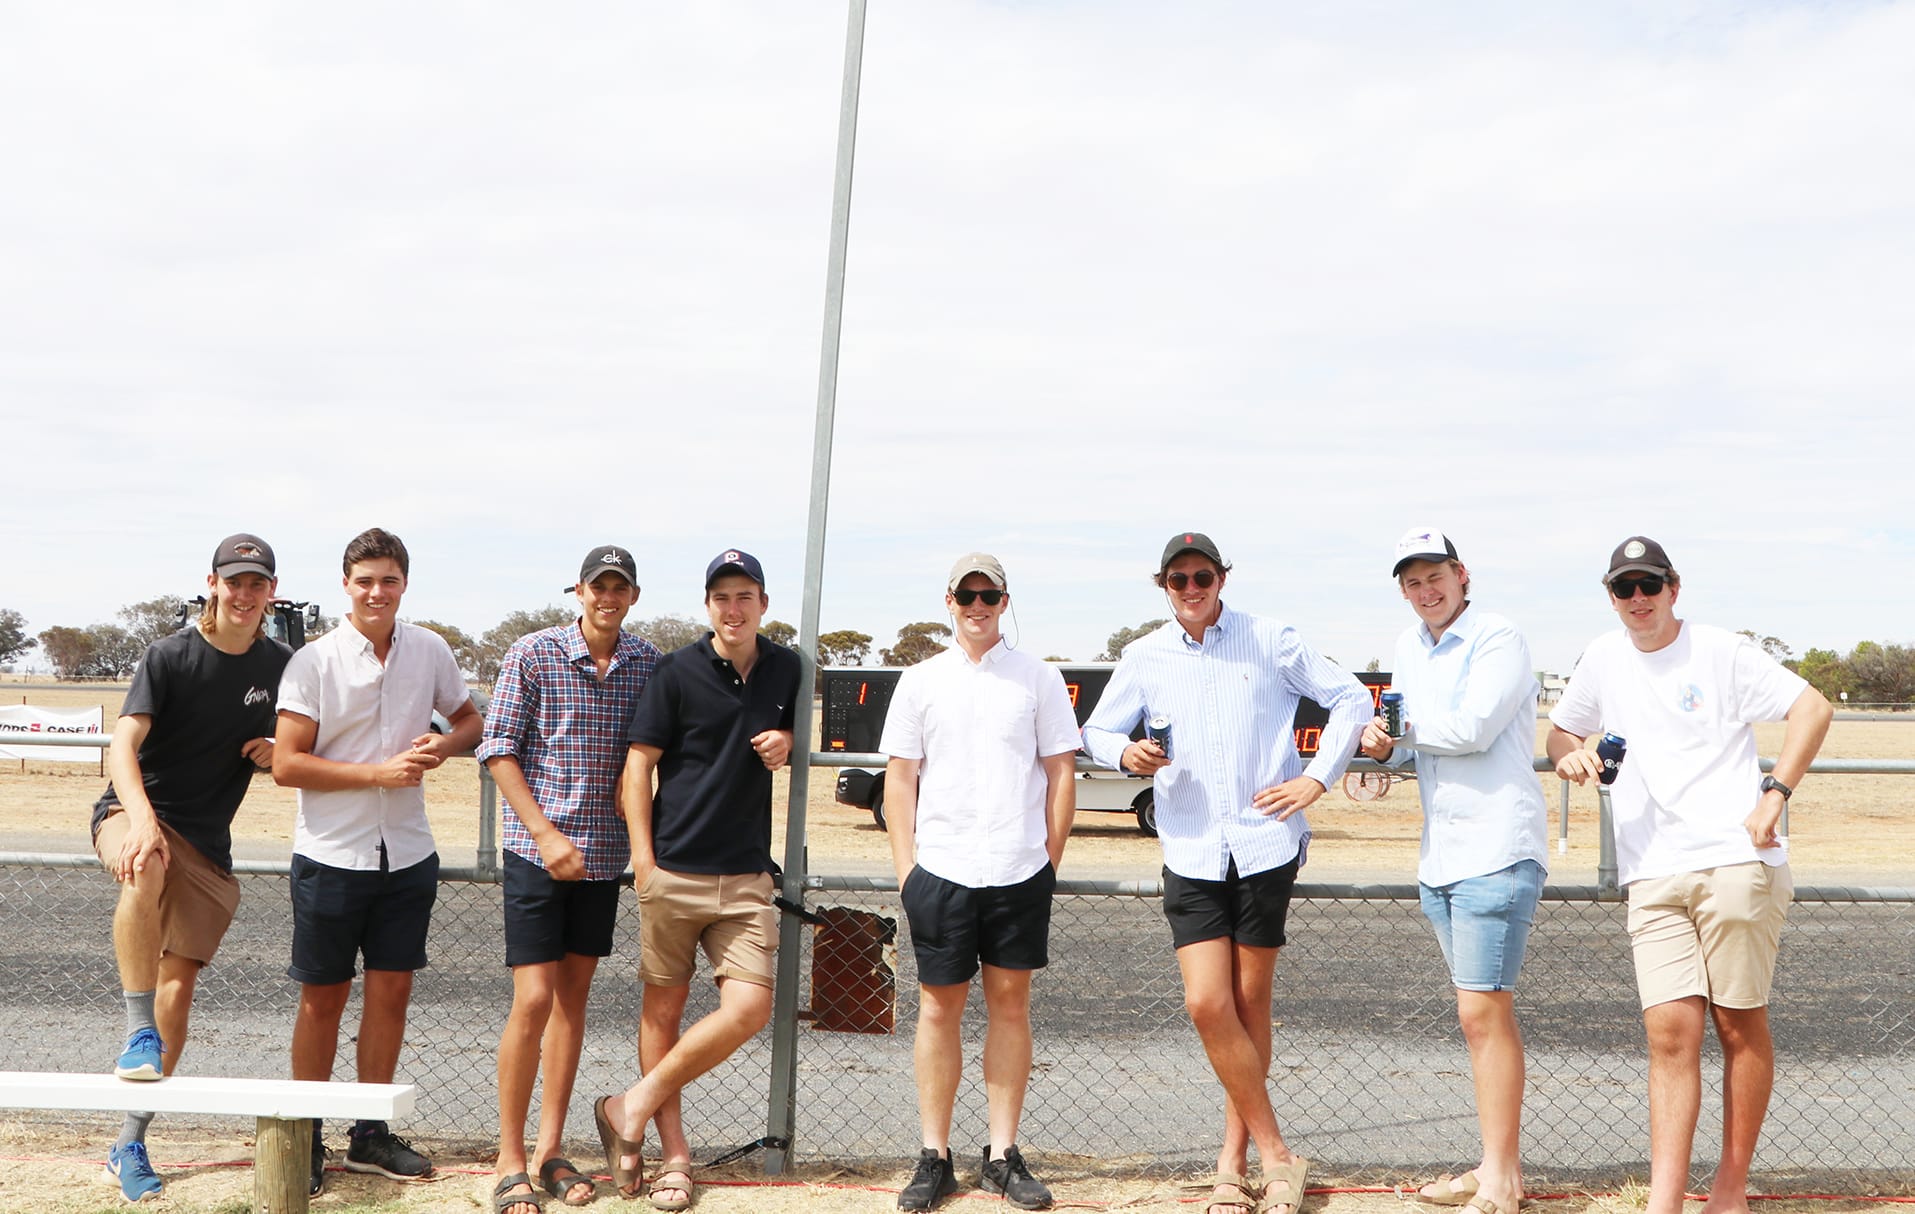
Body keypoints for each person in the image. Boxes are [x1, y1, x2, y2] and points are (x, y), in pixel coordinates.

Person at [1080, 531, 1370, 1214]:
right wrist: (1125, 755)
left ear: (1221, 579)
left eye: (1201, 576)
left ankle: (1231, 1165)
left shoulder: (1270, 640)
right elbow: (1094, 732)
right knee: (1207, 1005)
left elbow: (1351, 700)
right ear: (1162, 586)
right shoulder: (1143, 655)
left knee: (1249, 1005)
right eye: (1177, 579)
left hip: (1265, 843)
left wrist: (1315, 782)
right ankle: (1278, 1155)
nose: (1190, 589)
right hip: (1189, 847)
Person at [1546, 536, 1831, 1214]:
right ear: (1610, 596)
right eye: (1624, 588)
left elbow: (1811, 708)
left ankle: (1727, 1191)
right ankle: (1663, 1202)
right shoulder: (1603, 657)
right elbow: (1559, 731)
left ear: (1674, 587)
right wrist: (1569, 754)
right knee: (1668, 1033)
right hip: (1651, 874)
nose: (1637, 599)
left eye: (1649, 585)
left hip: (1734, 863)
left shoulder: (1719, 651)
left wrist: (1773, 793)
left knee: (1737, 1025)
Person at [273, 527, 483, 1196]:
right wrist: (377, 775)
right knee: (323, 1001)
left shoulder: (429, 650)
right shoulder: (314, 661)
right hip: (331, 855)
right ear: (345, 585)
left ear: (403, 584)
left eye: (388, 579)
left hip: (408, 854)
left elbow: (471, 721)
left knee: (390, 994)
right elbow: (286, 763)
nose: (376, 591)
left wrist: (442, 746)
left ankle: (369, 1135)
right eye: (364, 579)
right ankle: (303, 1137)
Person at [595, 548, 801, 1211]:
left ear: (763, 604)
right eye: (721, 598)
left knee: (747, 1009)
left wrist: (788, 741)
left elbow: (792, 730)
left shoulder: (786, 668)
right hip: (673, 870)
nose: (732, 608)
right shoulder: (674, 672)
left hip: (744, 877)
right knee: (663, 1010)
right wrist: (645, 862)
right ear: (706, 606)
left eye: (744, 596)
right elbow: (638, 768)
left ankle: (628, 1106)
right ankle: (673, 1157)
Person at [91, 533, 293, 1202]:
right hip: (136, 812)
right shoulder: (170, 655)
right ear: (212, 583)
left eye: (256, 583)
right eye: (233, 581)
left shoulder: (282, 665)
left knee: (180, 991)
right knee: (144, 866)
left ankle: (129, 1141)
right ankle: (136, 1032)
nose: (243, 594)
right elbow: (122, 745)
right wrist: (142, 819)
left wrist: (277, 747)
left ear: (271, 591)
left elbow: (304, 744)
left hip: (207, 844)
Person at [1357, 529, 1548, 1214]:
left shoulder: (1498, 637)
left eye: (1434, 575)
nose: (1424, 591)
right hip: (1441, 852)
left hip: (1496, 846)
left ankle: (1500, 1181)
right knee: (1477, 1015)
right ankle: (1494, 1167)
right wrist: (1380, 744)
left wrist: (1399, 731)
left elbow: (1470, 729)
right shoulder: (1411, 646)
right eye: (1411, 582)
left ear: (1461, 574)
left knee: (1482, 1012)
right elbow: (1410, 742)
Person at [881, 553, 1079, 1211]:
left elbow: (1059, 773)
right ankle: (933, 1156)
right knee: (937, 1008)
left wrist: (1045, 861)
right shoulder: (919, 680)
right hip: (939, 870)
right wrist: (907, 870)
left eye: (987, 594)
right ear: (948, 600)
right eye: (966, 594)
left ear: (1003, 600)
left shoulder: (1038, 679)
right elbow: (901, 778)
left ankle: (1000, 1154)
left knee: (1010, 1005)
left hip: (1018, 869)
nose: (976, 605)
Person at [480, 546, 663, 1214]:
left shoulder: (646, 663)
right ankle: (507, 1161)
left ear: (633, 596)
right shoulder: (533, 654)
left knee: (571, 999)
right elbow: (497, 748)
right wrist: (545, 835)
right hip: (538, 851)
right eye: (597, 586)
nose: (607, 597)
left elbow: (661, 747)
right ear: (578, 591)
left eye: (619, 587)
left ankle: (549, 1149)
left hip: (603, 857)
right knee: (531, 999)